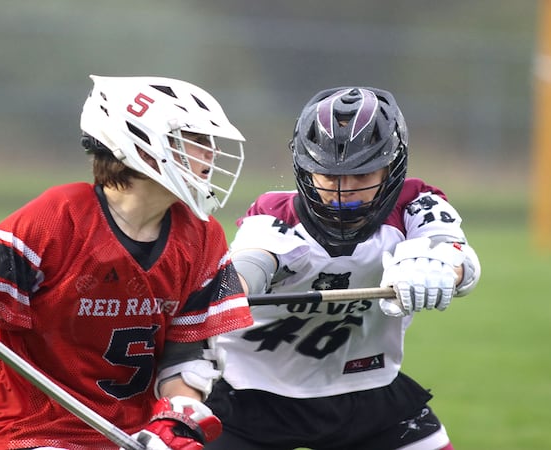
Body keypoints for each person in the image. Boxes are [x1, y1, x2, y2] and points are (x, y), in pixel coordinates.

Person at [0, 75, 254, 450]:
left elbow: (188, 351)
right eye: (196, 140)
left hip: (129, 436)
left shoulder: (202, 236)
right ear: (143, 146)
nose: (212, 154)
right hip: (30, 432)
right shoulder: (54, 219)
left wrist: (175, 418)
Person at [204, 86, 481, 450]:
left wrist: (438, 267)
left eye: (362, 176)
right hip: (250, 397)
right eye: (329, 177)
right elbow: (249, 265)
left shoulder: (415, 203)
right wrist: (227, 290)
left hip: (366, 393)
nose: (344, 191)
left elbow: (455, 254)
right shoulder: (275, 215)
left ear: (391, 166)